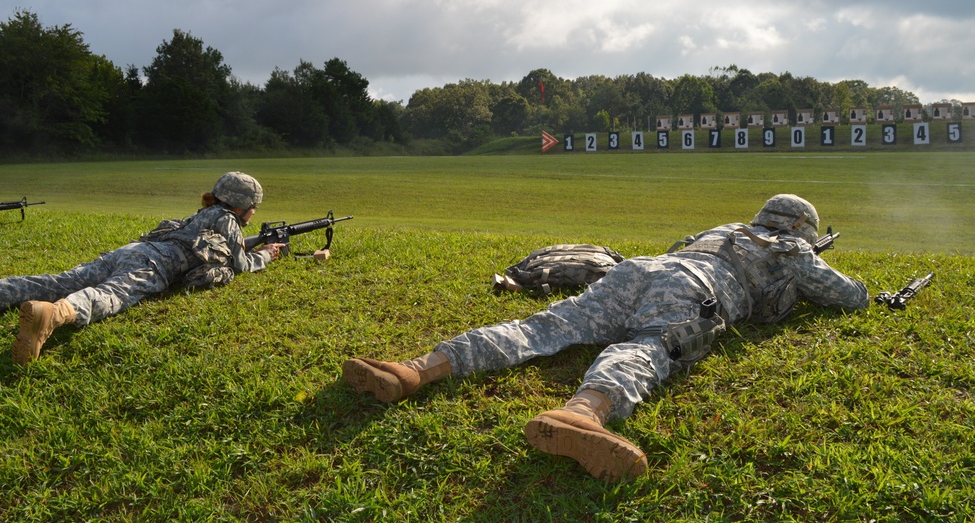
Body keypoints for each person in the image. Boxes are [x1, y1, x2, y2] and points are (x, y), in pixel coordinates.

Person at [341, 194, 868, 481]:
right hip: (696, 288)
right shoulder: (795, 251)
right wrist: (813, 260)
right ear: (801, 228)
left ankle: (413, 369)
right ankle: (582, 414)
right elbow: (852, 297)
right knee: (648, 346)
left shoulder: (724, 229)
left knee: (543, 325)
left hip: (642, 268)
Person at [1, 172, 283, 365]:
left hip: (135, 250)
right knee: (111, 295)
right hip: (154, 264)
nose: (255, 211)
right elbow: (241, 264)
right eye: (254, 206)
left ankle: (6, 290)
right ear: (243, 204)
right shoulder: (228, 220)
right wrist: (267, 255)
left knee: (61, 280)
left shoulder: (203, 213)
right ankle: (55, 313)